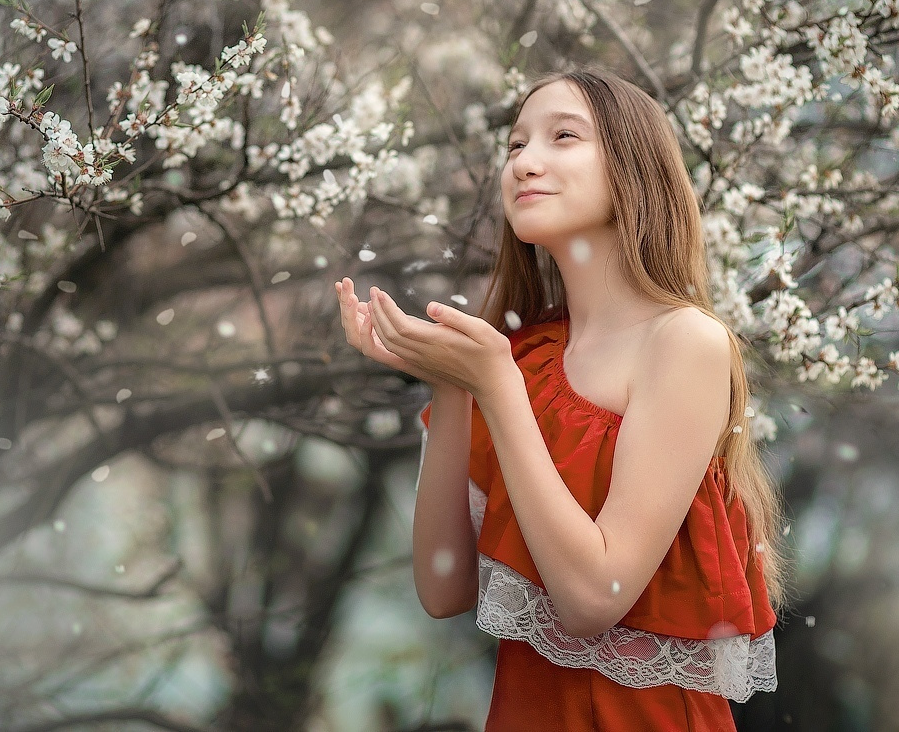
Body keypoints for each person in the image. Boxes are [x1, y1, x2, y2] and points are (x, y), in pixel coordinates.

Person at [335, 66, 785, 730]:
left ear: (632, 170)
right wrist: (454, 383)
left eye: (562, 136)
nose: (525, 162)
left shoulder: (685, 342)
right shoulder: (522, 355)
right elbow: (442, 586)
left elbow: (592, 598)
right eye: (515, 145)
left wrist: (494, 383)